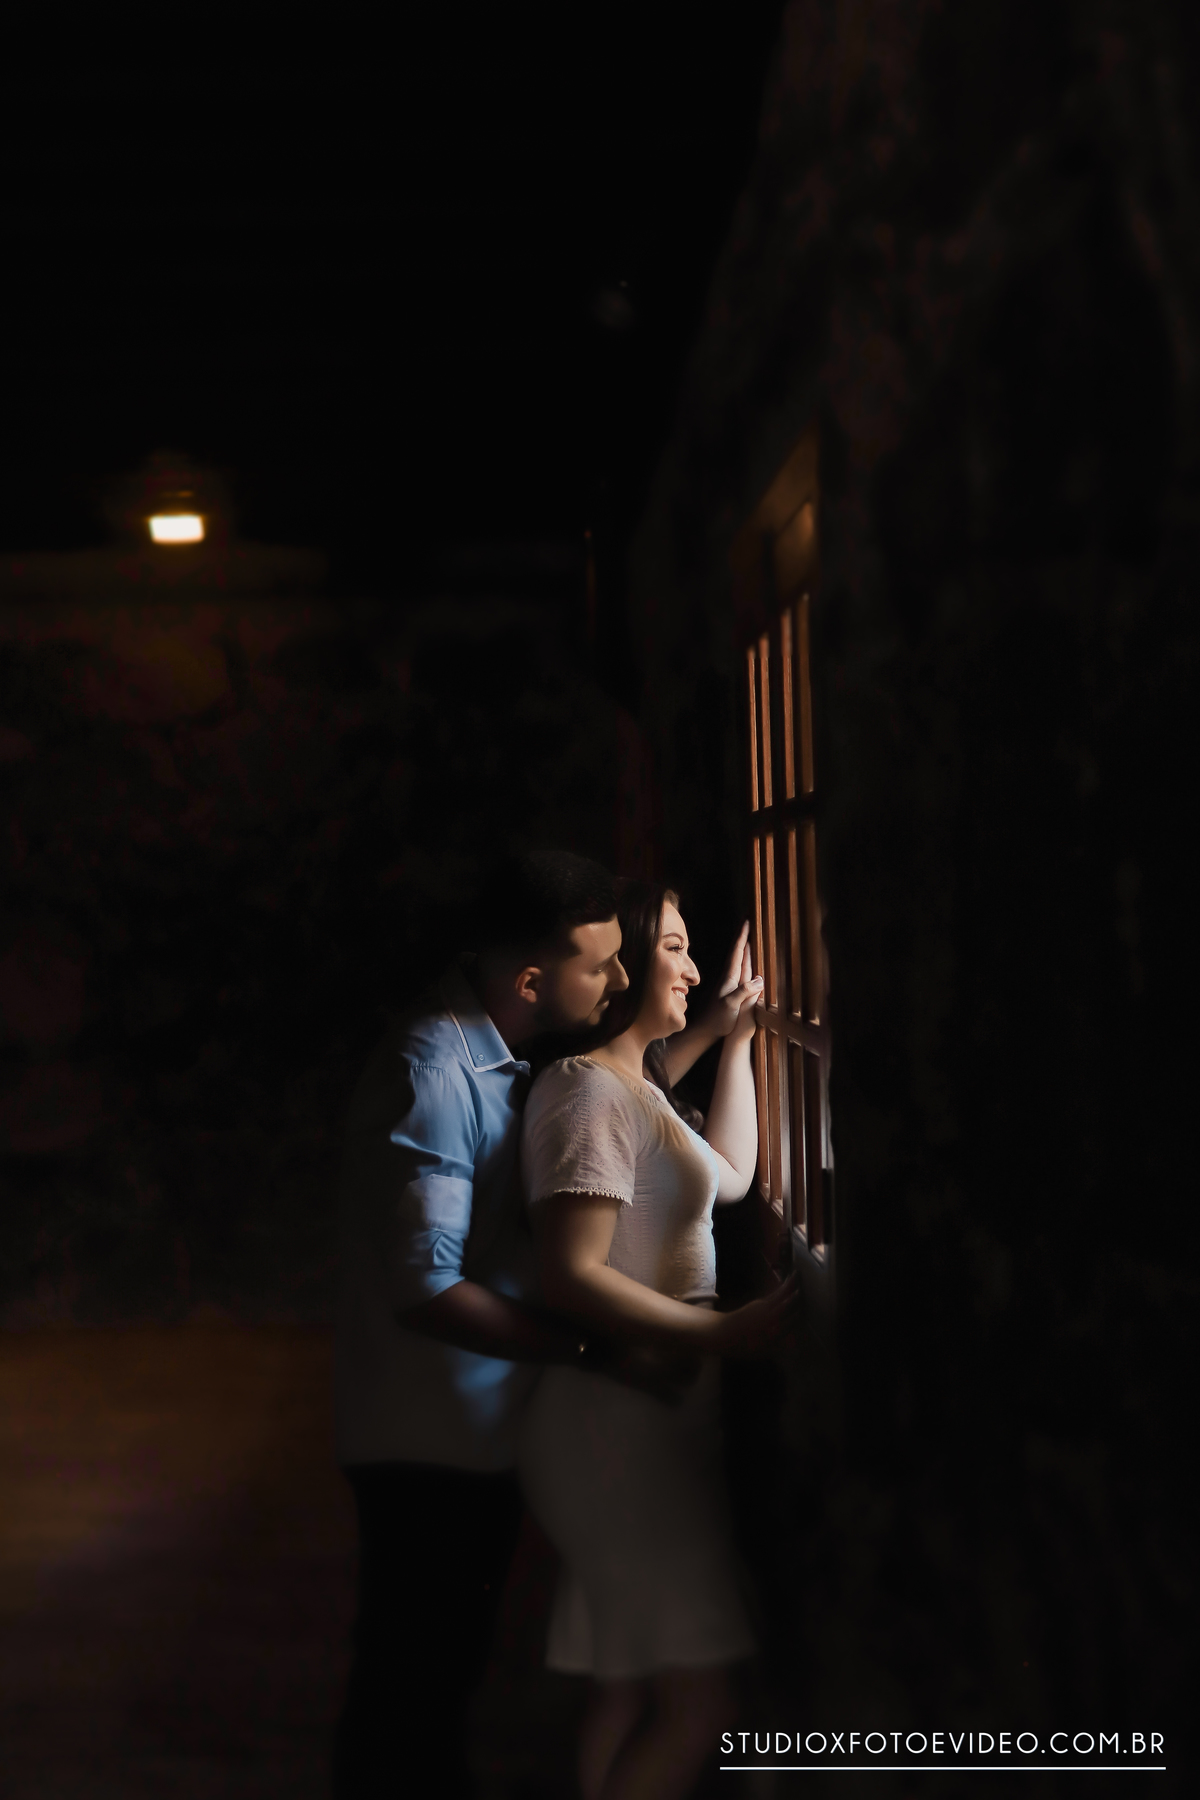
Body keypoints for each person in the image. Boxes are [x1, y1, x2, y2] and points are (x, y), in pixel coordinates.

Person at [332, 850, 633, 1800]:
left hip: (466, 1431)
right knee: (413, 1685)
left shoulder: (497, 1052)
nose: (621, 981)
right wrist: (581, 1347)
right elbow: (426, 1290)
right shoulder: (434, 1072)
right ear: (531, 981)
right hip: (427, 1442)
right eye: (601, 965)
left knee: (438, 1677)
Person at [518, 881, 797, 1800]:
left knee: (628, 1686)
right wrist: (725, 1332)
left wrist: (737, 1038)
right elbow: (570, 1273)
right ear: (627, 963)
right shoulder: (584, 1093)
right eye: (675, 947)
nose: (694, 968)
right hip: (615, 1430)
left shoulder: (638, 1088)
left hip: (648, 1417)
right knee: (699, 1705)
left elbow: (732, 1174)